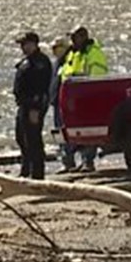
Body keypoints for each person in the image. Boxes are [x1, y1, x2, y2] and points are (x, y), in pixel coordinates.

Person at [58, 26, 110, 172]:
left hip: (89, 97)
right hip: (73, 98)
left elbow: (97, 76)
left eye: (75, 37)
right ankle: (72, 162)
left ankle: (88, 161)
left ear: (83, 37)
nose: (72, 41)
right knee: (72, 131)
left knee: (88, 131)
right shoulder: (74, 54)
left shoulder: (93, 53)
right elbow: (66, 74)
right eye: (72, 38)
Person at [49, 35, 96, 174]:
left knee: (81, 132)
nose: (54, 50)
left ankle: (87, 161)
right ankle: (67, 162)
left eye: (56, 48)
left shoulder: (72, 59)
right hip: (58, 103)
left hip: (72, 103)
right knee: (60, 134)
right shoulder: (56, 63)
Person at [13, 31, 53, 179]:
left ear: (34, 44)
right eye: (22, 45)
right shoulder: (27, 61)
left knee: (33, 139)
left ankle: (37, 174)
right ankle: (26, 169)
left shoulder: (40, 62)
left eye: (25, 44)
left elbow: (41, 87)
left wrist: (36, 108)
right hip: (23, 104)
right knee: (21, 137)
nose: (23, 47)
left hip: (33, 106)